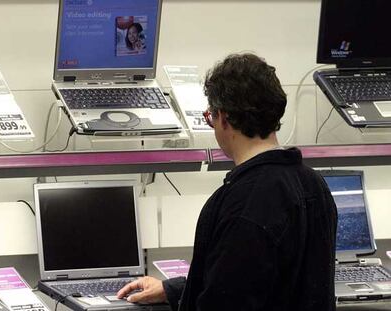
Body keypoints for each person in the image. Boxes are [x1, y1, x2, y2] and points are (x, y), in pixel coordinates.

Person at [117, 53, 338, 310]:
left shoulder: (242, 204)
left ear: (223, 118)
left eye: (211, 117)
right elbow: (274, 282)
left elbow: (227, 301)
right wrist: (174, 289)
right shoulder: (315, 186)